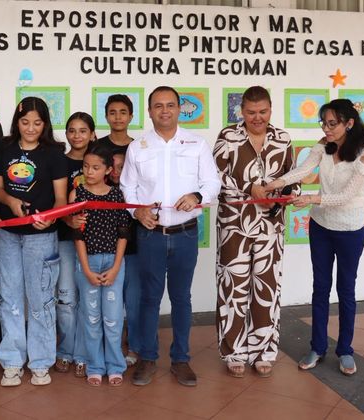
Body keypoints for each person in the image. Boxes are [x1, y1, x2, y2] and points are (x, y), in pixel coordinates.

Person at [265, 99, 364, 376]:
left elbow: (346, 196)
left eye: (332, 123)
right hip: (321, 226)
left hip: (351, 229)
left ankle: (345, 350)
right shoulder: (324, 145)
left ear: (349, 123)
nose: (326, 129)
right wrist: (274, 184)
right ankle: (317, 347)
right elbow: (303, 170)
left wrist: (311, 199)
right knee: (320, 287)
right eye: (323, 123)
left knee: (346, 290)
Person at [120, 87, 221, 387]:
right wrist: (137, 212)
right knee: (149, 298)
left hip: (185, 234)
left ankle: (181, 359)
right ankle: (148, 358)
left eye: (170, 105)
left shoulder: (197, 144)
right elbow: (128, 187)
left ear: (179, 109)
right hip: (150, 234)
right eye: (158, 106)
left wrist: (197, 196)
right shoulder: (137, 147)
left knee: (181, 298)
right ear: (149, 111)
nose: (164, 111)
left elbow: (212, 182)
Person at [212, 86, 299, 378]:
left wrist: (283, 196)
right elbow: (215, 177)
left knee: (267, 289)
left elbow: (293, 178)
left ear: (270, 109)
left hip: (271, 226)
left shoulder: (283, 139)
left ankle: (264, 351)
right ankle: (233, 352)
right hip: (234, 226)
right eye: (251, 112)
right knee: (233, 289)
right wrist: (251, 189)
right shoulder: (228, 136)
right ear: (242, 111)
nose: (257, 117)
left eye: (262, 112)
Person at [0, 97, 67, 387]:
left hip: (42, 237)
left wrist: (51, 217)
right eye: (25, 122)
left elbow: (60, 199)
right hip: (8, 235)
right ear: (17, 122)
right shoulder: (5, 149)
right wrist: (11, 201)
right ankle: (12, 361)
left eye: (37, 123)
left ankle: (40, 362)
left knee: (41, 299)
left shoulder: (55, 154)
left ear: (45, 124)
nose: (31, 128)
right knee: (10, 298)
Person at [70, 144, 132, 387]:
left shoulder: (117, 195)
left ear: (108, 170)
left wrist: (116, 267)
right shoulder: (77, 195)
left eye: (96, 167)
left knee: (113, 319)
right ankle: (95, 366)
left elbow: (123, 233)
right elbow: (77, 235)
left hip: (114, 261)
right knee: (91, 318)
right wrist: (86, 269)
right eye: (86, 166)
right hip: (88, 262)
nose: (89, 171)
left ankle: (115, 365)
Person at [55, 112, 95, 377]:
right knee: (67, 297)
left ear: (92, 133)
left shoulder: (100, 159)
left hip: (96, 242)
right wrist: (68, 219)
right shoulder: (58, 161)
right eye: (72, 130)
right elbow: (55, 201)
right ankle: (66, 350)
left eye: (83, 130)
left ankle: (83, 353)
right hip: (65, 239)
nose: (77, 135)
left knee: (90, 300)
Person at [109, 150, 141, 366]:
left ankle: (135, 347)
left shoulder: (138, 191)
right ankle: (111, 348)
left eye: (121, 167)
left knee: (134, 302)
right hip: (108, 254)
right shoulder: (101, 192)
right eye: (112, 167)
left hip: (135, 253)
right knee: (111, 305)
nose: (115, 172)